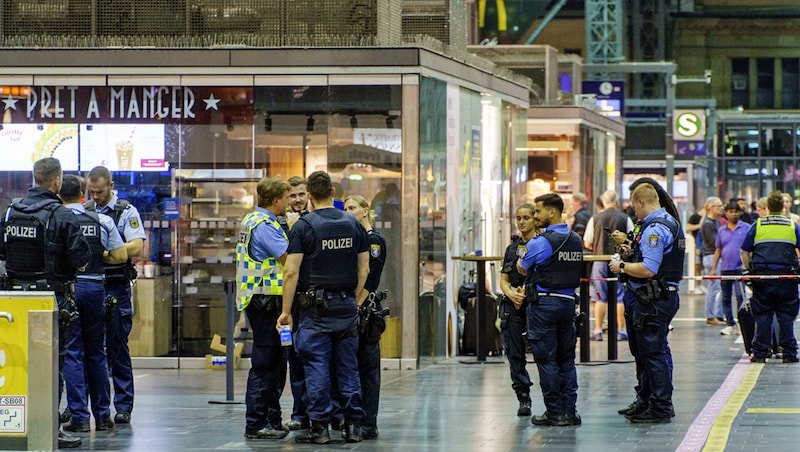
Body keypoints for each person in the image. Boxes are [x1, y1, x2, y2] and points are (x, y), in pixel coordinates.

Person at [0, 157, 91, 449]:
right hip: (50, 301)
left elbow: (3, 253)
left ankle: (15, 422)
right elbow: (82, 260)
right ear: (57, 181)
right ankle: (49, 426)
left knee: (16, 363)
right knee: (53, 365)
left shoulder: (10, 212)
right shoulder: (62, 216)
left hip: (13, 300)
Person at [277, 170, 370, 444]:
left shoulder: (304, 226)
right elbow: (364, 268)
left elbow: (291, 272)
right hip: (346, 306)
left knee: (316, 365)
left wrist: (286, 311)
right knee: (348, 366)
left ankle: (319, 428)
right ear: (332, 193)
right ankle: (353, 425)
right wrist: (351, 295)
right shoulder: (352, 223)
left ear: (310, 196)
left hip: (315, 309)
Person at [609, 181, 684, 424]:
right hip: (649, 298)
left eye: (634, 206)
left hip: (652, 299)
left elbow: (648, 268)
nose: (633, 212)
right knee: (644, 352)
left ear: (642, 201)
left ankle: (660, 405)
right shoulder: (663, 223)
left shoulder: (654, 229)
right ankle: (646, 399)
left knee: (653, 353)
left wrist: (620, 265)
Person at [60, 175, 127, 433]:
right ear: (82, 194)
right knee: (97, 351)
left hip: (70, 288)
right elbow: (121, 256)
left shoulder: (56, 219)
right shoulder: (102, 219)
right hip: (96, 288)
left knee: (73, 352)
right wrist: (99, 257)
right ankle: (102, 416)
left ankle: (78, 417)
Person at [85, 166, 146, 424]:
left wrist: (109, 251)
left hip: (115, 286)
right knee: (90, 348)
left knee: (118, 347)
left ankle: (123, 405)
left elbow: (136, 246)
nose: (96, 196)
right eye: (92, 191)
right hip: (90, 285)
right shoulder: (85, 210)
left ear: (111, 185)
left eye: (100, 191)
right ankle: (86, 405)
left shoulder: (125, 211)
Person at [516, 193, 583, 427]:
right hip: (567, 304)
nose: (535, 216)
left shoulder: (541, 242)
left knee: (546, 360)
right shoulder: (575, 239)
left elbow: (522, 267)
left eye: (538, 211)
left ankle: (554, 412)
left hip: (543, 305)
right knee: (567, 360)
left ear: (551, 212)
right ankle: (570, 411)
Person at [236, 177, 293, 439]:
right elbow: (288, 258)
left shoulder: (252, 219)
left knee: (275, 362)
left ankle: (270, 419)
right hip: (266, 300)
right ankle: (256, 423)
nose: (289, 202)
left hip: (261, 299)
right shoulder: (265, 226)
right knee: (266, 363)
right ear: (275, 200)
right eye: (287, 197)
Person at [344, 194, 388, 439]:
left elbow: (371, 277)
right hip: (350, 308)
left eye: (353, 207)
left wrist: (356, 304)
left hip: (366, 311)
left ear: (365, 210)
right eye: (345, 207)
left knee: (368, 369)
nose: (348, 211)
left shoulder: (373, 241)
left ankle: (369, 422)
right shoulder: (352, 239)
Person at [740, 190, 800, 363]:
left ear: (767, 207)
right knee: (786, 317)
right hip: (786, 278)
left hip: (762, 279)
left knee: (763, 317)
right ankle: (789, 353)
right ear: (783, 206)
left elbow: (744, 251)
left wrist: (749, 270)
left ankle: (760, 353)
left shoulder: (758, 225)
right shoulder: (792, 225)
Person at [499, 203, 537, 417]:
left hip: (535, 304)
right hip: (514, 304)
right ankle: (523, 397)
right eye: (518, 218)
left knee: (542, 352)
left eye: (526, 218)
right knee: (515, 354)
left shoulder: (542, 244)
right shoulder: (512, 248)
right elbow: (504, 278)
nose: (521, 222)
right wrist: (511, 293)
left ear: (535, 219)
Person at [279, 175, 309, 432]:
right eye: (292, 196)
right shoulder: (280, 225)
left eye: (301, 194)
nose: (298, 199)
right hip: (290, 302)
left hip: (313, 300)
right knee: (295, 359)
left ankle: (324, 412)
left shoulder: (316, 221)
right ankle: (300, 413)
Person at [584, 190, 634, 341]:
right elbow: (631, 242)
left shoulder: (595, 218)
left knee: (599, 296)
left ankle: (598, 330)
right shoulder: (625, 218)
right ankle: (621, 330)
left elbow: (587, 242)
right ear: (617, 201)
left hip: (599, 261)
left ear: (603, 202)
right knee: (620, 296)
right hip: (619, 261)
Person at [712, 201, 749, 336]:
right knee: (726, 298)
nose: (733, 214)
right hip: (726, 268)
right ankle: (730, 324)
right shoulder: (722, 230)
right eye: (731, 211)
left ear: (740, 213)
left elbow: (750, 249)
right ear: (726, 213)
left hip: (740, 268)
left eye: (736, 211)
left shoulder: (746, 228)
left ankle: (741, 323)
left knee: (740, 296)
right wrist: (714, 268)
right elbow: (718, 250)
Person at [701, 197, 725, 326]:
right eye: (718, 206)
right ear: (711, 207)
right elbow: (716, 243)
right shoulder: (708, 224)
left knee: (718, 287)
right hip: (712, 257)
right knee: (714, 288)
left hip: (715, 257)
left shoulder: (716, 222)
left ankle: (718, 314)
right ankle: (710, 316)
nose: (721, 208)